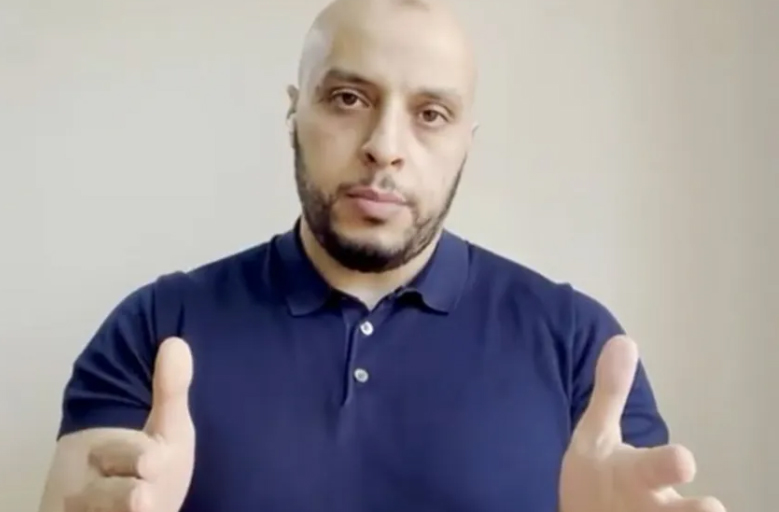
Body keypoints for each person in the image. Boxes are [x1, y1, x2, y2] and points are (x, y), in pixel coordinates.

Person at [37, 0, 726, 511]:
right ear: (294, 112)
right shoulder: (156, 329)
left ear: (466, 140)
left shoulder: (580, 347)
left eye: (430, 114)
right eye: (347, 98)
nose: (384, 146)